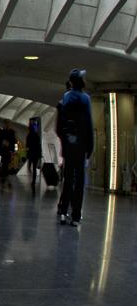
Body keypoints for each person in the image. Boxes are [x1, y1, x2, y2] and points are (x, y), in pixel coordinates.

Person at [56, 69, 93, 226]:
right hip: (80, 146)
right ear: (79, 81)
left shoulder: (66, 97)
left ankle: (63, 211)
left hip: (69, 146)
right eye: (83, 78)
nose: (85, 79)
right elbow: (88, 124)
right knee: (79, 182)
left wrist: (65, 141)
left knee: (67, 179)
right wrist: (89, 146)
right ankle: (76, 215)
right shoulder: (85, 98)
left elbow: (62, 124)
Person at [0, 120, 18, 186]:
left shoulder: (1, 133)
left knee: (3, 162)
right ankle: (3, 174)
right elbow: (13, 141)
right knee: (5, 163)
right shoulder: (10, 133)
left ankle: (2, 174)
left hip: (2, 151)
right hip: (6, 151)